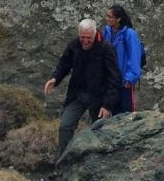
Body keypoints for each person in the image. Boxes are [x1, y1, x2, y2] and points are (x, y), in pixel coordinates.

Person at [44, 19, 120, 157]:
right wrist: (54, 79)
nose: (85, 41)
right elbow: (64, 64)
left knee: (101, 131)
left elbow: (114, 79)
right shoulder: (74, 45)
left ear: (95, 33)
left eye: (88, 38)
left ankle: (100, 164)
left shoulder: (106, 48)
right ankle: (62, 162)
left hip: (99, 98)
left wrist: (107, 105)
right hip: (77, 94)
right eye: (82, 37)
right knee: (65, 126)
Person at [102, 4, 142, 114]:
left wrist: (130, 79)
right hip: (112, 81)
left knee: (127, 114)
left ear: (118, 19)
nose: (107, 19)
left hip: (125, 82)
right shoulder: (107, 31)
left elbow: (134, 57)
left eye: (110, 17)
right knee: (115, 114)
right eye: (107, 16)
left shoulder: (130, 34)